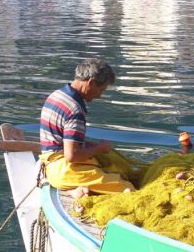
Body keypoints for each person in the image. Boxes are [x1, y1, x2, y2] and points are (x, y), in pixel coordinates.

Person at [39, 58, 135, 198]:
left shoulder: (57, 95)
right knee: (128, 188)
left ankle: (76, 190)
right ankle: (74, 190)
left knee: (113, 169)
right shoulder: (75, 110)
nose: (100, 95)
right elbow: (72, 156)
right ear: (90, 82)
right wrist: (99, 148)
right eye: (101, 90)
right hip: (63, 171)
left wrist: (92, 146)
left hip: (51, 164)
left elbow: (63, 141)